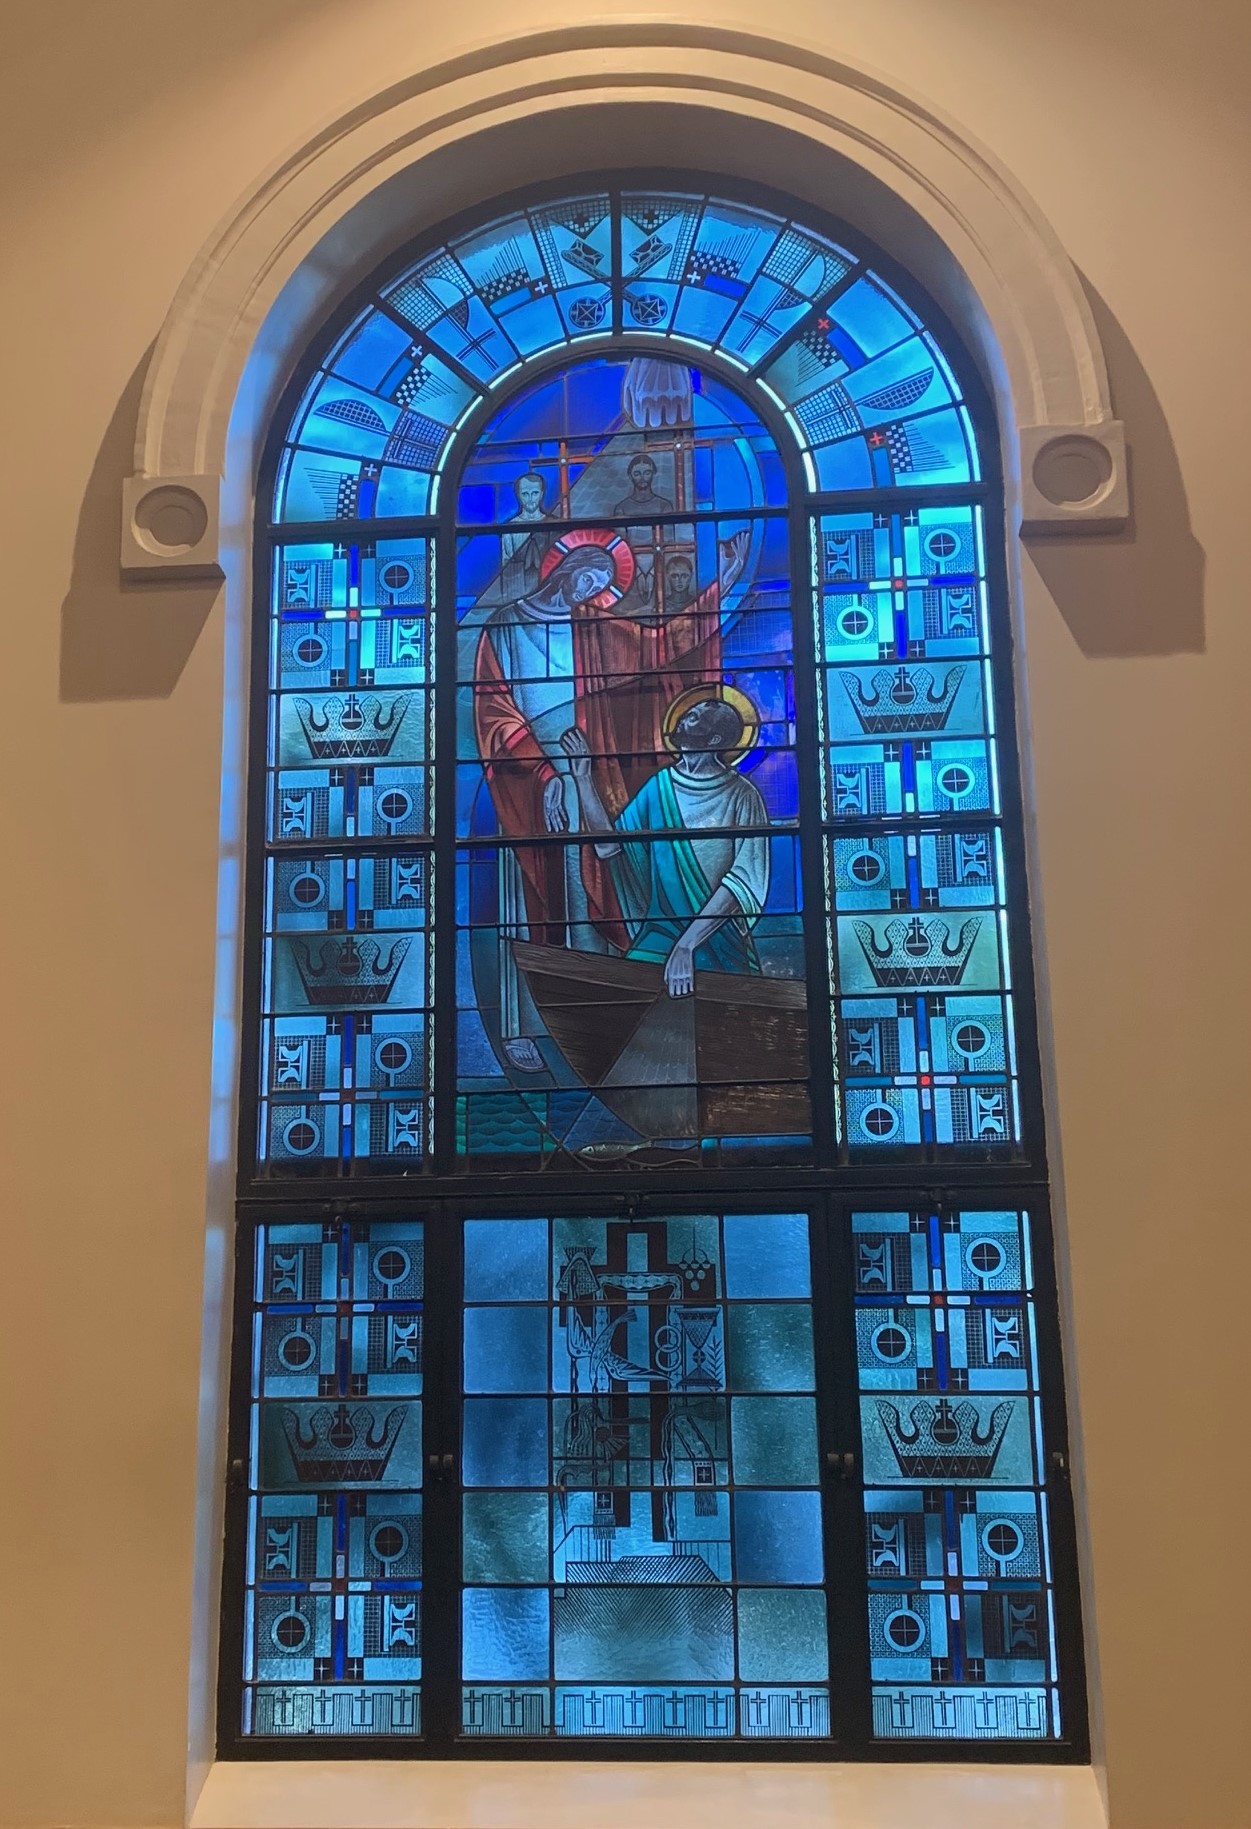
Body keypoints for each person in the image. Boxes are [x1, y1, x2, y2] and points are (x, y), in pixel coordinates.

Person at [559, 694, 770, 998]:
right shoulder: (660, 787)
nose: (682, 719)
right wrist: (582, 778)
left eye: (694, 717)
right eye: (687, 714)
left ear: (714, 739)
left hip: (719, 941)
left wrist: (687, 944)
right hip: (660, 934)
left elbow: (743, 882)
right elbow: (608, 847)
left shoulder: (742, 796)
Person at [498, 471, 555, 599]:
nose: (530, 499)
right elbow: (507, 569)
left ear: (541, 494)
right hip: (518, 592)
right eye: (525, 494)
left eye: (534, 493)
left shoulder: (554, 525)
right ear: (518, 495)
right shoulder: (509, 529)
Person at [613, 452, 673, 516]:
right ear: (630, 476)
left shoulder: (664, 506)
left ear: (653, 474)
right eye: (637, 474)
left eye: (647, 473)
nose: (642, 478)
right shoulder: (621, 508)